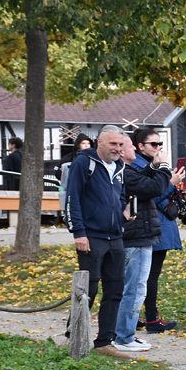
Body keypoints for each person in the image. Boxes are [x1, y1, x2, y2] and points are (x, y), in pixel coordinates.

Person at [64, 124, 129, 352]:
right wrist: (79, 232)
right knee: (87, 290)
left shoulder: (120, 166)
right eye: (113, 144)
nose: (117, 148)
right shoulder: (84, 163)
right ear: (99, 142)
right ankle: (72, 337)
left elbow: (120, 196)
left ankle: (104, 342)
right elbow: (72, 198)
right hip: (91, 236)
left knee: (115, 291)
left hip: (116, 236)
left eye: (120, 144)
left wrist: (123, 212)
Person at [113, 131, 172, 352]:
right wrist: (164, 167)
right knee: (135, 289)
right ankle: (124, 337)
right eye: (130, 146)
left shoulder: (125, 171)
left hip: (138, 235)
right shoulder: (123, 172)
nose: (133, 150)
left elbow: (143, 182)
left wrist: (154, 168)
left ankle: (123, 334)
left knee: (133, 288)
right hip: (136, 237)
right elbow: (153, 188)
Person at [134, 129, 186, 334]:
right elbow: (151, 194)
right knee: (148, 275)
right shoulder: (139, 166)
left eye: (160, 144)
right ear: (141, 146)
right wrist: (171, 183)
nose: (158, 148)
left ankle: (138, 316)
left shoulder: (147, 164)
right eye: (153, 144)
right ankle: (151, 319)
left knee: (146, 274)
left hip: (158, 223)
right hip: (152, 225)